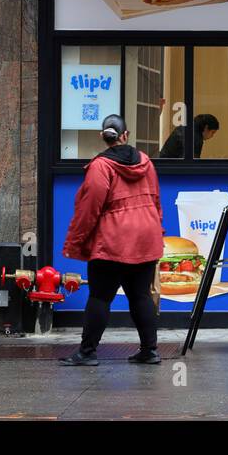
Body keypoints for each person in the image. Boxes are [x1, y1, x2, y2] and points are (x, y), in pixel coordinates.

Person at [60, 113, 164, 366]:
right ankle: (149, 351)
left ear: (102, 137)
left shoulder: (100, 166)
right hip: (145, 235)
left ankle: (87, 352)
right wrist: (157, 229)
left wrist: (75, 241)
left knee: (100, 296)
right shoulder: (146, 162)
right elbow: (155, 200)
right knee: (140, 295)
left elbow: (89, 208)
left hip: (114, 239)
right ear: (126, 135)